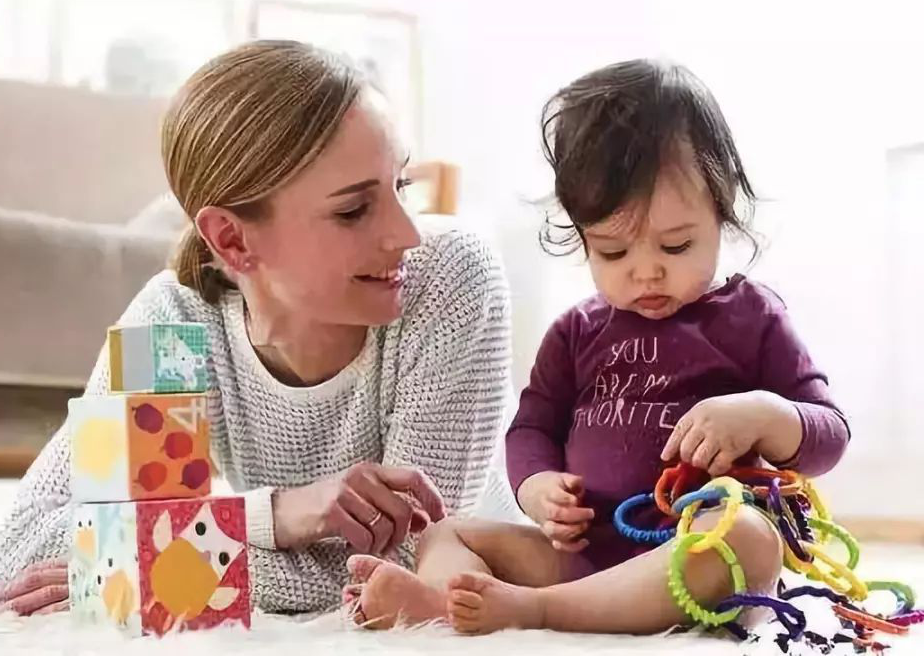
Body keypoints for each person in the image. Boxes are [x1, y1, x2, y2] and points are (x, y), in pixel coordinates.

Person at [0, 40, 513, 616]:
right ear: (232, 240)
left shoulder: (449, 277)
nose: (407, 234)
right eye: (353, 210)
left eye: (400, 185)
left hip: (515, 585)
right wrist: (277, 514)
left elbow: (408, 563)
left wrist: (135, 568)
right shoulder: (176, 322)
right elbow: (25, 548)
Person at [345, 59, 849, 635]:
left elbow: (827, 436)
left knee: (749, 539)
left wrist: (765, 414)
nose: (646, 273)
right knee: (444, 531)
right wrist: (536, 488)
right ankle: (443, 605)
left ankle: (533, 612)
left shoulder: (753, 316)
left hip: (691, 555)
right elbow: (532, 429)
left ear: (721, 207)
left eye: (677, 245)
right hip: (585, 558)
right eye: (613, 253)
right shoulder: (576, 333)